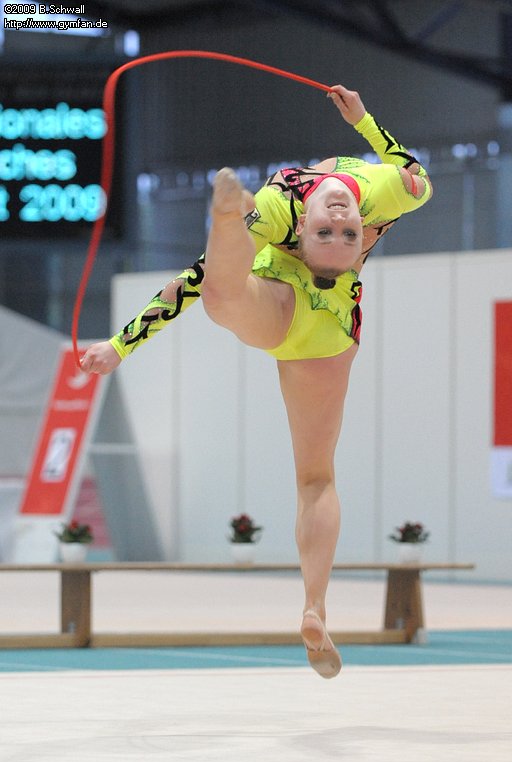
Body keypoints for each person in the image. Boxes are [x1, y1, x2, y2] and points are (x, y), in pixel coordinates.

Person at [81, 85, 432, 678]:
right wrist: (365, 121)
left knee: (220, 295)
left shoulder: (279, 206)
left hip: (294, 307)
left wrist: (122, 344)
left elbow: (192, 282)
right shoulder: (385, 194)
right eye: (340, 233)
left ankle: (227, 223)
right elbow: (416, 172)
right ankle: (315, 606)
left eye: (339, 236)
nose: (340, 224)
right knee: (315, 475)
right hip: (328, 333)